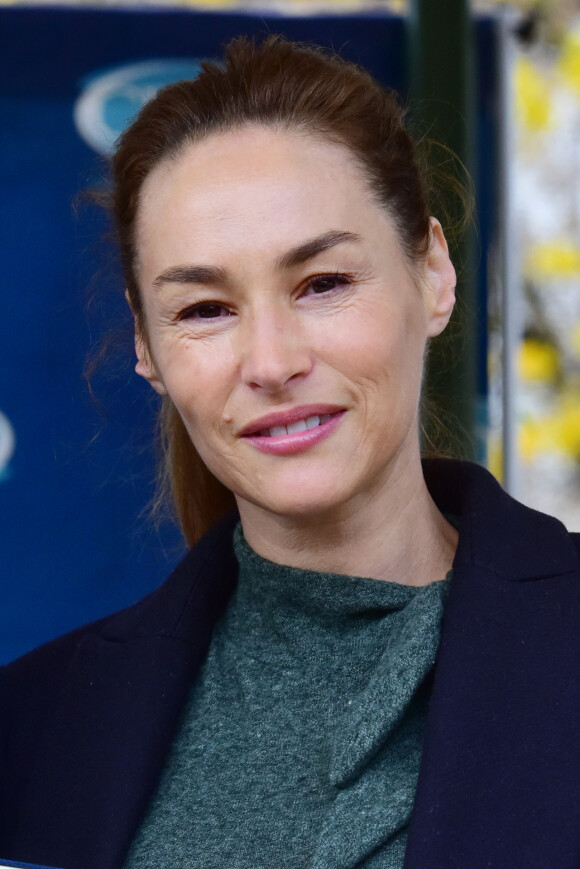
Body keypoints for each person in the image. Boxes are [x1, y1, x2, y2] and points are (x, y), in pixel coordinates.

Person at [1, 35, 580, 869]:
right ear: (145, 343)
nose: (271, 362)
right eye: (204, 308)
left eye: (322, 284)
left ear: (434, 273)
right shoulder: (30, 732)